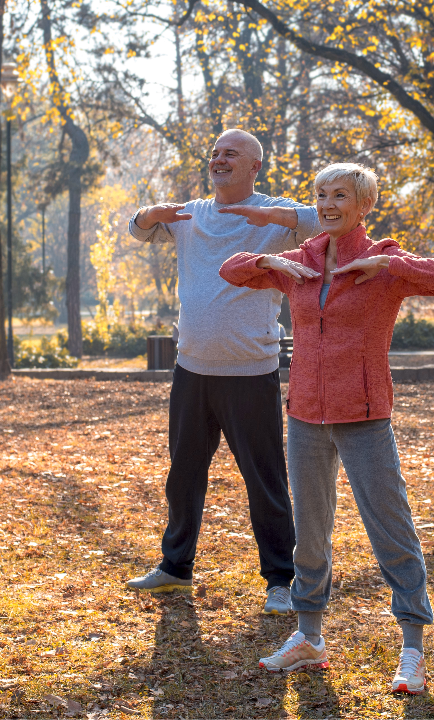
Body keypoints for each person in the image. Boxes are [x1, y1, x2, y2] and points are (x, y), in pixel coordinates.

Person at [219, 163, 434, 692]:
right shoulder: (299, 261)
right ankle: (309, 638)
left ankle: (413, 649)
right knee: (309, 533)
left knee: (391, 530)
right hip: (305, 414)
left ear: (363, 204)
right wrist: (265, 257)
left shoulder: (385, 262)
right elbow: (232, 270)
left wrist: (388, 265)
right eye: (321, 195)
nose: (328, 204)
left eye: (340, 195)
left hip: (365, 417)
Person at [124, 129, 321, 615]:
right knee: (183, 475)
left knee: (266, 481)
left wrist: (269, 215)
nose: (218, 159)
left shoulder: (278, 215)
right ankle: (175, 567)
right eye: (215, 153)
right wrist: (150, 214)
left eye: (230, 153)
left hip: (251, 373)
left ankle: (280, 581)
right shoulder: (192, 214)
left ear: (255, 166)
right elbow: (137, 229)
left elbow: (328, 220)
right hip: (191, 370)